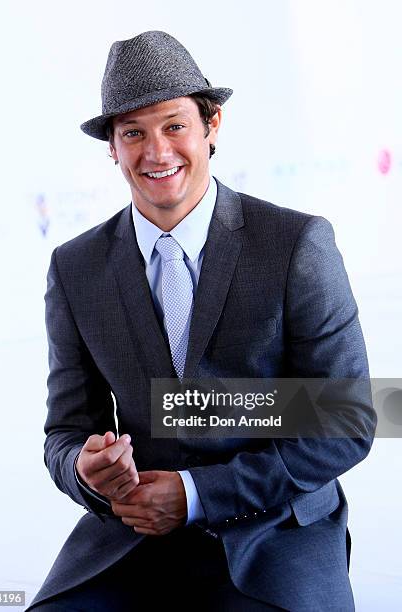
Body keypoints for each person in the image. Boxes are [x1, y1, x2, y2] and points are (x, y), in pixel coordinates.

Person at [27, 31, 376, 611]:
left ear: (212, 125)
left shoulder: (296, 245)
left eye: (173, 126)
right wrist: (87, 473)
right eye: (133, 133)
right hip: (132, 539)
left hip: (275, 528)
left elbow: (349, 416)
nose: (156, 152)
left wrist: (194, 494)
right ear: (112, 148)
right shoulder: (75, 267)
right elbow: (64, 434)